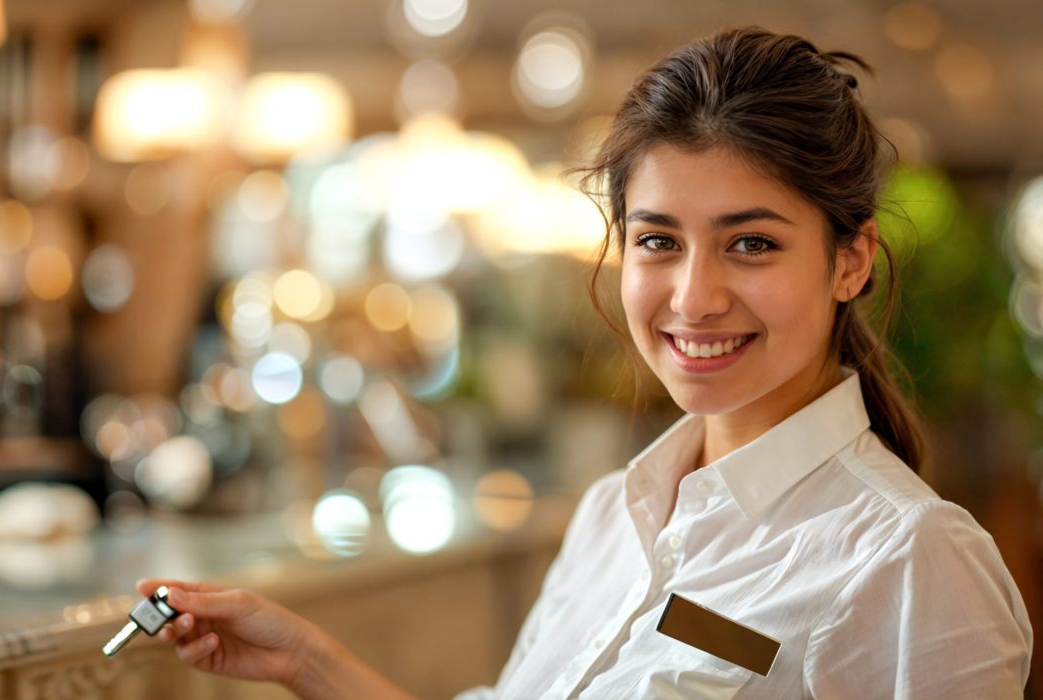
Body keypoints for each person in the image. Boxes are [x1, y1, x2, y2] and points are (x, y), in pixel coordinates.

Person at [139, 26, 1033, 699]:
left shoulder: (913, 559)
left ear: (850, 260)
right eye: (658, 241)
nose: (693, 297)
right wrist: (305, 658)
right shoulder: (617, 513)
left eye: (751, 243)